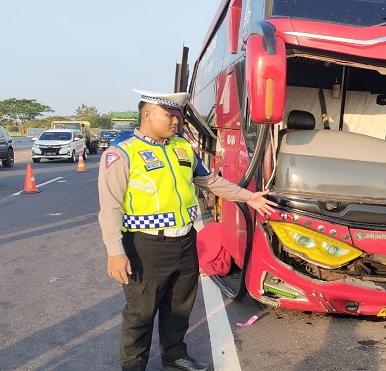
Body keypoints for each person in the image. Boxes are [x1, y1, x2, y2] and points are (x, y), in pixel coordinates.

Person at [98, 89, 276, 371]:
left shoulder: (182, 147)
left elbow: (210, 181)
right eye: (169, 115)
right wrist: (115, 251)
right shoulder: (122, 152)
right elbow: (109, 208)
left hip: (184, 242)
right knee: (140, 314)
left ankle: (174, 356)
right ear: (147, 114)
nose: (175, 122)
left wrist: (247, 196)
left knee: (179, 306)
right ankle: (133, 367)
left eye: (178, 116)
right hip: (145, 247)